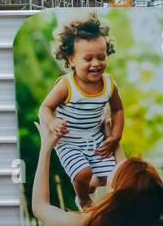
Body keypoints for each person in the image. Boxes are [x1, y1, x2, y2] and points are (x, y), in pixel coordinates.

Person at [39, 15, 126, 210]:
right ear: (72, 59)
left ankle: (88, 185)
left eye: (101, 57)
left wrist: (115, 137)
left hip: (95, 138)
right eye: (88, 58)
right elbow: (45, 107)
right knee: (83, 173)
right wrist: (52, 123)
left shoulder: (109, 85)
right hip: (68, 140)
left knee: (107, 177)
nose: (96, 63)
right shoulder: (66, 85)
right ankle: (84, 199)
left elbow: (118, 109)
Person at [31, 121, 163, 226]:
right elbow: (130, 183)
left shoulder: (89, 223)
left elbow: (40, 207)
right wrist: (112, 139)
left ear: (116, 192)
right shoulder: (148, 222)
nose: (115, 164)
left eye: (116, 169)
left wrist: (45, 148)